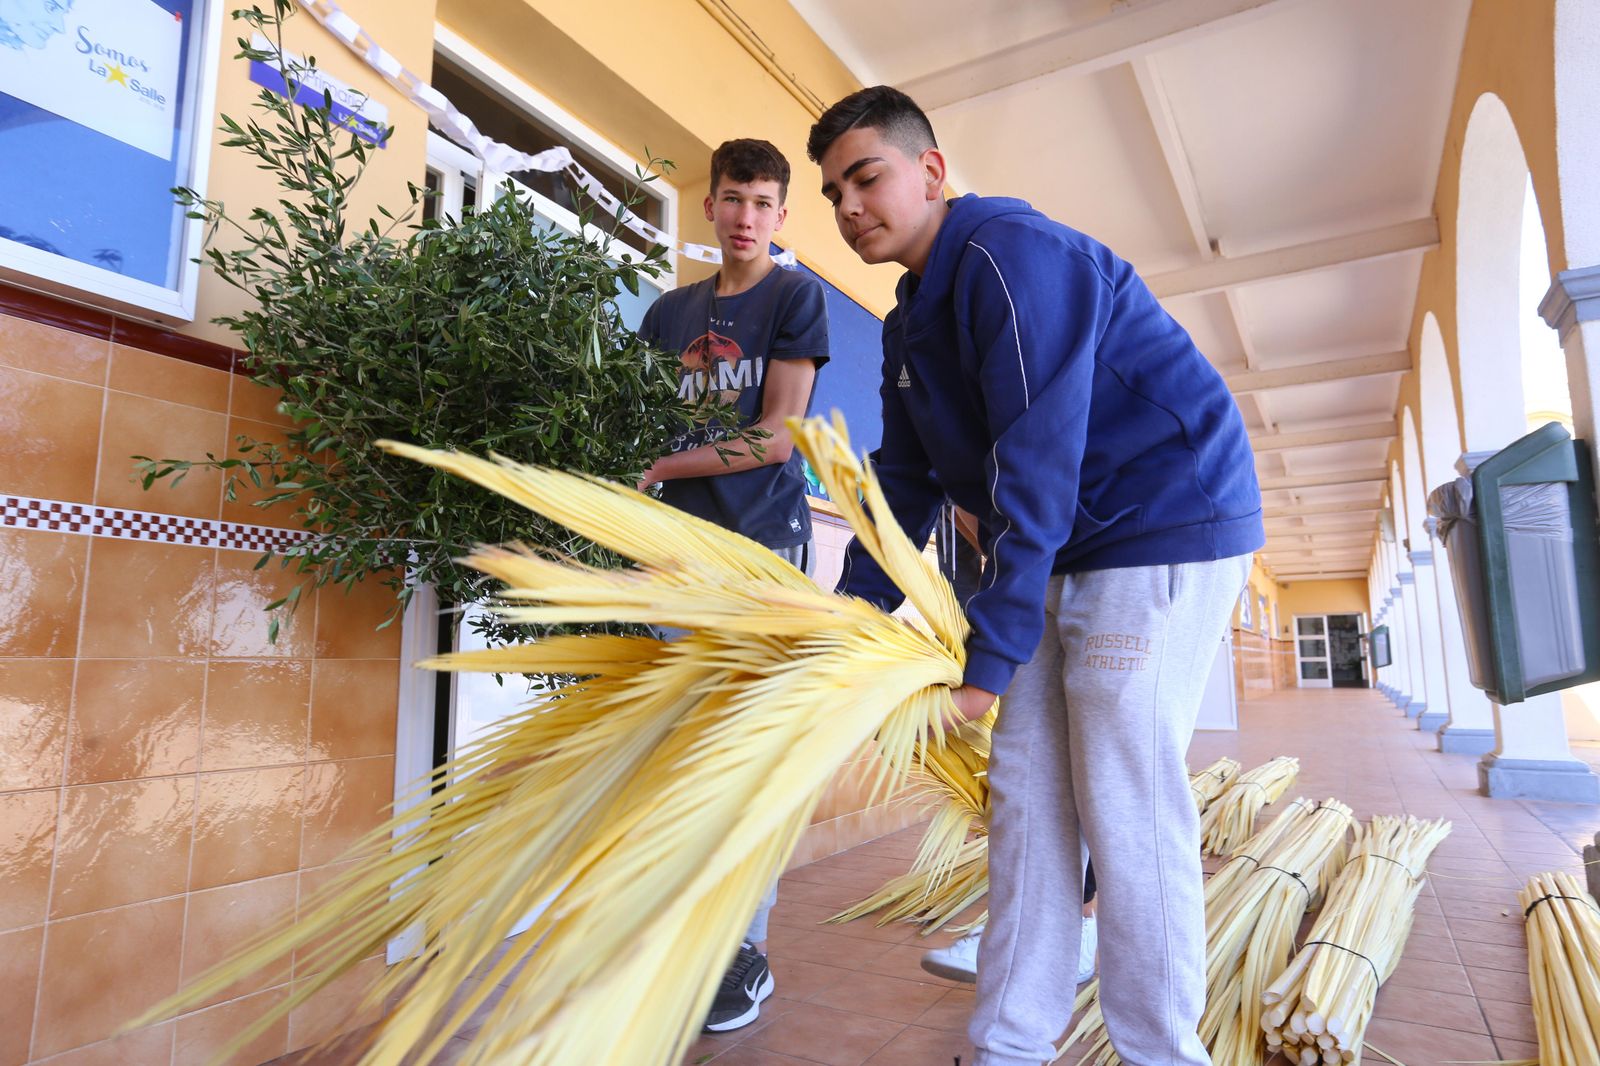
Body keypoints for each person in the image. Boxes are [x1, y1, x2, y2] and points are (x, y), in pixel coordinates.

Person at [808, 87, 1262, 1066]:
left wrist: (988, 658)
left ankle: (1158, 1050)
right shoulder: (908, 318)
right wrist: (843, 623)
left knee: (1120, 779)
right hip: (1071, 539)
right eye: (833, 189)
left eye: (867, 176)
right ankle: (1011, 1040)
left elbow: (1037, 459)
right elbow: (905, 481)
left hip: (1164, 518)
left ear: (930, 171)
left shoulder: (1010, 256)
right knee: (1023, 787)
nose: (848, 205)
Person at [636, 138, 830, 1033]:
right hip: (674, 557)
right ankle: (684, 934)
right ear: (706, 207)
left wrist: (659, 464)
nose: (746, 217)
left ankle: (744, 951)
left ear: (781, 215)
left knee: (748, 756)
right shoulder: (668, 315)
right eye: (731, 200)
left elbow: (779, 435)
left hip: (761, 559)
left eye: (762, 202)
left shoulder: (796, 297)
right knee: (677, 752)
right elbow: (631, 415)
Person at [922, 503, 1098, 988]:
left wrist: (980, 688)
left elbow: (1026, 534)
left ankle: (1081, 928)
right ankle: (1020, 931)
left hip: (1099, 570)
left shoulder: (1017, 461)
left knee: (1092, 772)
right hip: (1023, 596)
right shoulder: (952, 486)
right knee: (1026, 776)